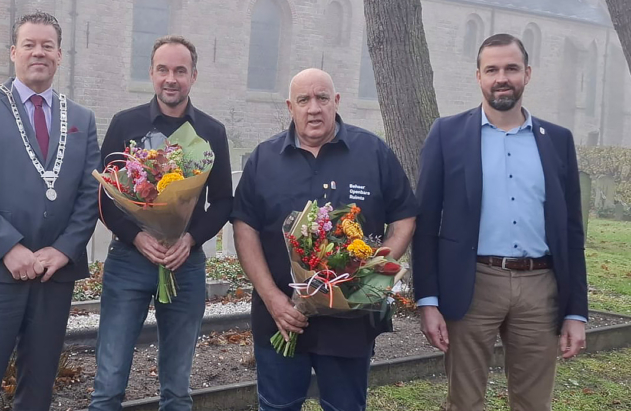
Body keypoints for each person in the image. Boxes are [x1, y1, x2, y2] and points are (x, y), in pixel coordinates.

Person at [413, 33, 588, 411]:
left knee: (533, 404)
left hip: (541, 288)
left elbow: (572, 232)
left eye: (511, 68)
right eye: (491, 69)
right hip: (472, 284)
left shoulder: (557, 140)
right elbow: (425, 224)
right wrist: (427, 300)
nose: (501, 77)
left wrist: (576, 311)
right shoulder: (447, 135)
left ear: (527, 74)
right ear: (478, 76)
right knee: (464, 402)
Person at [232, 68, 417, 411]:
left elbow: (405, 216)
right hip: (283, 320)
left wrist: (370, 274)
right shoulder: (264, 159)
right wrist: (273, 299)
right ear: (291, 106)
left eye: (322, 98)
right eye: (304, 100)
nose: (313, 108)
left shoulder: (372, 152)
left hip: (349, 326)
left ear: (336, 102)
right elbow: (245, 229)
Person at [0, 11, 100, 411]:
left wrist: (64, 249)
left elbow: (89, 195)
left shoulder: (81, 118)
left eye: (47, 46)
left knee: (39, 388)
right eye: (29, 45)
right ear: (13, 52)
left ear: (60, 55)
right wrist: (8, 248)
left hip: (54, 274)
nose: (39, 53)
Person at [89, 35, 233, 411]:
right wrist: (137, 237)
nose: (172, 78)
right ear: (152, 74)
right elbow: (105, 195)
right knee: (108, 384)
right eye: (164, 70)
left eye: (180, 71)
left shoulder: (211, 133)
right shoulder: (125, 124)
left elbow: (222, 202)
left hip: (185, 264)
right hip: (129, 261)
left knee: (177, 388)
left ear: (194, 76)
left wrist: (191, 239)